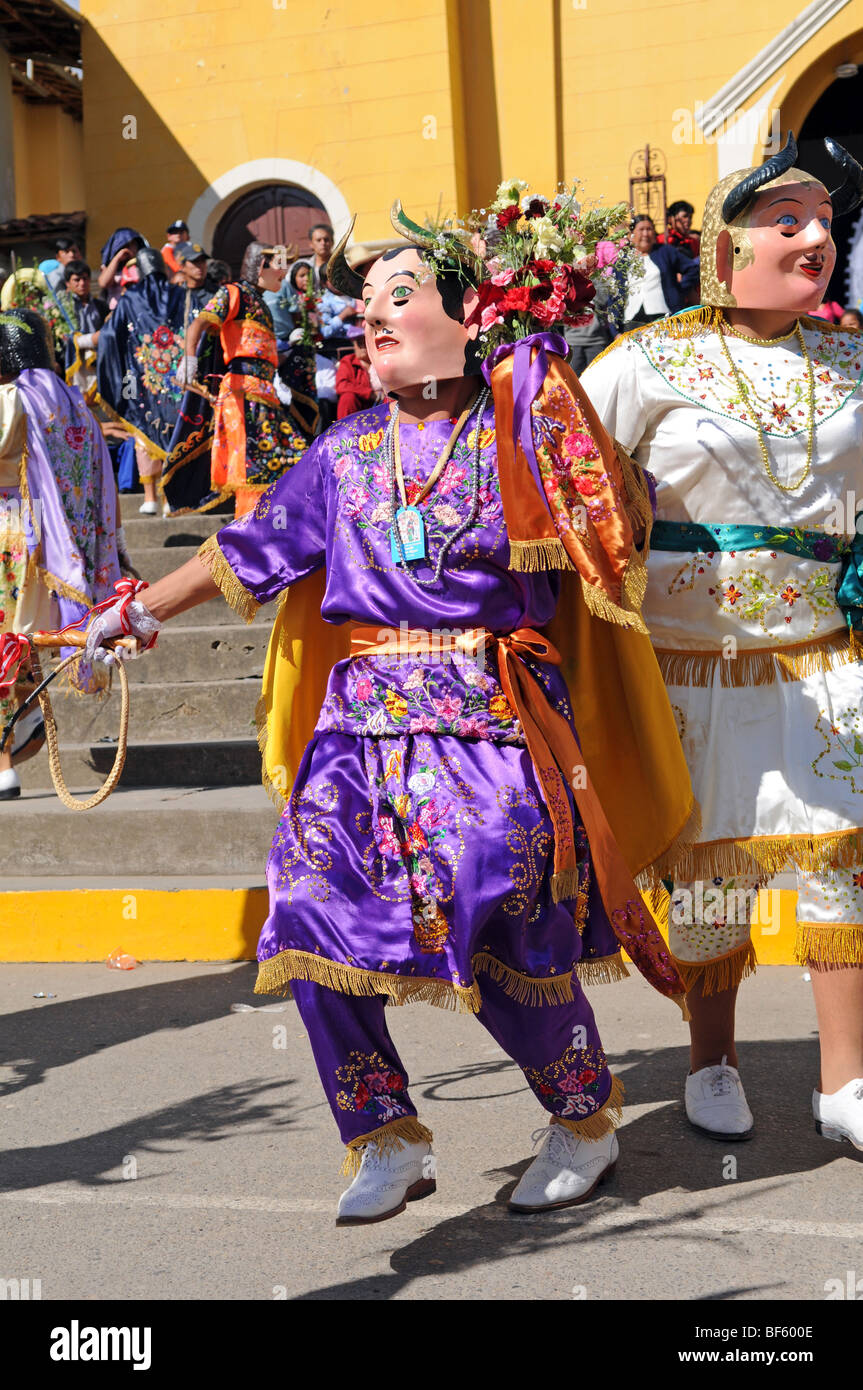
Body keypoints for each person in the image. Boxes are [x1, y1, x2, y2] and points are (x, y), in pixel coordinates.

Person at [80, 206, 696, 1224]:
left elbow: (612, 527)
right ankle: (386, 1132)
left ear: (474, 317)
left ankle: (583, 1120)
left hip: (494, 719)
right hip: (358, 728)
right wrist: (129, 611)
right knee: (308, 912)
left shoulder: (521, 435)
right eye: (363, 304)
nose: (369, 316)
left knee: (495, 900)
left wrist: (543, 381)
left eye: (399, 295)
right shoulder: (344, 450)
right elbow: (244, 548)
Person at [583, 132, 863, 1150]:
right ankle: (709, 1064)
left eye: (826, 222)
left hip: (822, 657)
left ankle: (843, 1081)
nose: (815, 237)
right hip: (687, 661)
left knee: (843, 858)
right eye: (786, 221)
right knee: (708, 872)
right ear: (721, 247)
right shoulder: (647, 360)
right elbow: (562, 470)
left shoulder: (853, 356)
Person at [0, 309, 121, 800]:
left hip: (12, 533)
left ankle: (5, 757)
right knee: (22, 644)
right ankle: (25, 723)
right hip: (62, 545)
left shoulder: (11, 401)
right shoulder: (74, 403)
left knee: (7, 641)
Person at [174, 242, 310, 516]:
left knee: (292, 460)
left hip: (267, 395)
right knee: (254, 469)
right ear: (261, 265)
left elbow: (262, 355)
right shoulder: (232, 293)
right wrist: (189, 358)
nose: (284, 273)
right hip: (242, 395)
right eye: (279, 266)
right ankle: (250, 532)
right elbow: (199, 323)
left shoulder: (263, 305)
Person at [96, 246, 187, 515]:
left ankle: (150, 497)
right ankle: (172, 498)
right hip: (177, 380)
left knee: (144, 431)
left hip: (140, 381)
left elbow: (111, 336)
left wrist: (120, 363)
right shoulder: (182, 295)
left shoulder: (129, 298)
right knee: (177, 431)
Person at [622, 216, 700, 330]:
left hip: (663, 318)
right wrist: (615, 332)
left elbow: (692, 269)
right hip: (632, 321)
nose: (645, 234)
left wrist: (680, 290)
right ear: (631, 235)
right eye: (641, 229)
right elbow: (614, 295)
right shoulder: (623, 260)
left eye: (649, 229)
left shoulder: (665, 252)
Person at [63, 259, 109, 400]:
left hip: (96, 361)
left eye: (85, 279)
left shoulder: (100, 305)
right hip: (72, 361)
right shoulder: (61, 308)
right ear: (68, 283)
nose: (82, 283)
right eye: (76, 280)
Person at [98, 228, 146, 309]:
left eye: (133, 244)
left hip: (139, 309)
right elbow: (104, 283)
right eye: (126, 245)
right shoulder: (110, 266)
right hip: (117, 311)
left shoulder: (143, 263)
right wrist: (117, 258)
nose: (130, 248)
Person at [335, 338, 377, 418]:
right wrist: (370, 393)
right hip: (358, 407)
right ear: (354, 346)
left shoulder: (382, 361)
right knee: (348, 398)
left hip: (384, 405)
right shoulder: (348, 361)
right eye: (359, 344)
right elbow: (341, 385)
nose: (363, 347)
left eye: (365, 343)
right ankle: (346, 429)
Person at [296, 222, 334, 293]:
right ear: (311, 244)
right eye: (318, 240)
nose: (323, 243)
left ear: (332, 242)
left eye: (326, 240)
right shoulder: (304, 267)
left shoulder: (344, 264)